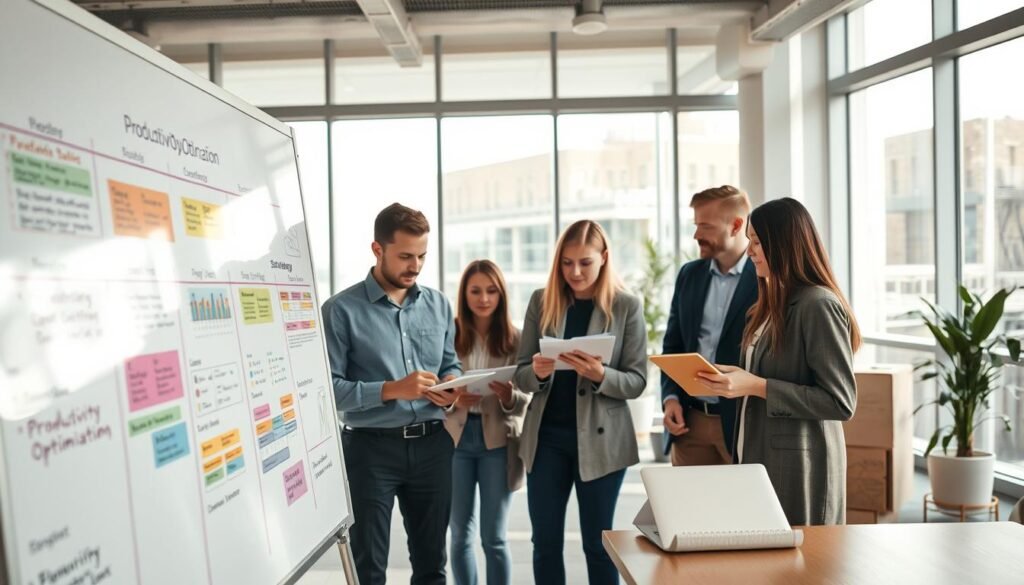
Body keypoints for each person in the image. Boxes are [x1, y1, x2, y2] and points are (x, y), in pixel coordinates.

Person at [322, 202, 462, 585]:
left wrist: (450, 390)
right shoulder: (340, 311)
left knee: (433, 567)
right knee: (369, 570)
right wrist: (392, 390)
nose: (414, 266)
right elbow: (328, 392)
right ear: (377, 249)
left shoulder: (438, 304)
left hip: (433, 447)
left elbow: (452, 364)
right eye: (404, 256)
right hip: (370, 451)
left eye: (421, 256)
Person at [697, 197, 859, 525]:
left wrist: (756, 385)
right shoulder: (768, 305)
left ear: (784, 244)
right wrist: (737, 377)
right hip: (756, 457)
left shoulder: (817, 305)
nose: (751, 250)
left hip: (799, 468)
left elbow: (840, 402)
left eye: (757, 242)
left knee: (802, 571)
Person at [514, 219, 647, 585]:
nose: (574, 272)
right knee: (545, 542)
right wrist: (538, 373)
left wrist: (600, 375)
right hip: (546, 441)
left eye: (584, 263)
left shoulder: (626, 306)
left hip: (603, 443)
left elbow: (637, 381)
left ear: (604, 258)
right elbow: (520, 373)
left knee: (598, 544)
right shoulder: (542, 302)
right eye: (567, 263)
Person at [444, 260, 529, 585]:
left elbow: (526, 400)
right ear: (464, 294)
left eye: (491, 290)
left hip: (498, 442)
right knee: (459, 535)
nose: (483, 298)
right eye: (475, 291)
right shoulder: (449, 334)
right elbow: (434, 390)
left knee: (494, 537)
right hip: (457, 440)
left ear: (502, 294)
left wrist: (508, 395)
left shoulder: (516, 339)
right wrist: (454, 398)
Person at [661, 185, 757, 466]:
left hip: (742, 424)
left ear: (736, 225)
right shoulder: (689, 275)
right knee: (685, 509)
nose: (696, 235)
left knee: (741, 509)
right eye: (696, 225)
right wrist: (670, 398)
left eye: (705, 226)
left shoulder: (765, 280)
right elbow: (673, 345)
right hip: (690, 424)